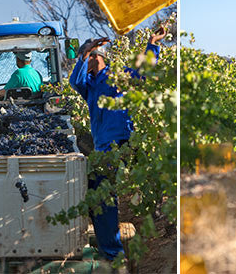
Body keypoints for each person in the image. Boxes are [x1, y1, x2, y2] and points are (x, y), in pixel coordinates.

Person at [68, 28, 166, 261]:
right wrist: (83, 53)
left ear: (98, 57)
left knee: (101, 191)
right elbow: (74, 81)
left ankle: (114, 254)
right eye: (86, 56)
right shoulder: (88, 85)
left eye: (91, 55)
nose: (88, 60)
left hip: (122, 143)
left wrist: (152, 44)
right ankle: (111, 250)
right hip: (104, 148)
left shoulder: (118, 76)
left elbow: (144, 73)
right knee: (97, 192)